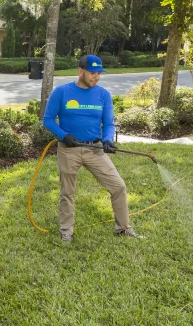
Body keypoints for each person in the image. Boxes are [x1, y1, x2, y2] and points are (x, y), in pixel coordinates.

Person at [42, 54, 143, 243]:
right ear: (81, 71)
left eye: (99, 73)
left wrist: (107, 140)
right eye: (92, 73)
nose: (96, 77)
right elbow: (47, 120)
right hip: (69, 149)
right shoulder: (62, 92)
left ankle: (123, 228)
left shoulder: (103, 94)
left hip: (95, 149)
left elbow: (109, 123)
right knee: (67, 192)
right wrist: (63, 135)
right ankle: (66, 231)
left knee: (118, 186)